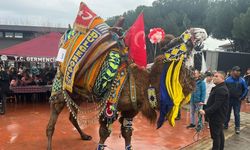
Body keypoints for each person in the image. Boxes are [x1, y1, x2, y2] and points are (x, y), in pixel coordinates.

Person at [199, 71, 229, 150]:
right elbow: (213, 101)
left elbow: (216, 105)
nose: (214, 78)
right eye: (214, 76)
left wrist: (205, 111)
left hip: (217, 117)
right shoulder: (219, 87)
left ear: (222, 78)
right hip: (218, 116)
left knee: (216, 136)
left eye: (216, 76)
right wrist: (204, 103)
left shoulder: (221, 89)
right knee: (219, 134)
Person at [224, 66, 248, 134]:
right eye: (237, 71)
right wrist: (225, 97)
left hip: (237, 100)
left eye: (239, 71)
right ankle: (225, 125)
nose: (238, 72)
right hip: (228, 100)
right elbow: (224, 89)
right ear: (233, 71)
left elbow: (246, 89)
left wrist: (242, 97)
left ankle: (237, 127)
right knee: (227, 113)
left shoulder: (242, 80)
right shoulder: (228, 80)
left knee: (237, 114)